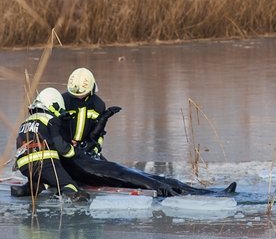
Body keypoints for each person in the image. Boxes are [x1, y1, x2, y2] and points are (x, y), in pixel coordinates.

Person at [59, 67, 233, 197]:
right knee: (122, 174)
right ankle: (166, 190)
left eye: (82, 94)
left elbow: (92, 137)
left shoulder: (97, 104)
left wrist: (99, 127)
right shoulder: (63, 101)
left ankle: (206, 192)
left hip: (87, 155)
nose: (79, 98)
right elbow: (52, 132)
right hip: (74, 160)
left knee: (138, 174)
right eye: (76, 95)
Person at [14, 87, 90, 202]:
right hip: (45, 165)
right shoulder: (51, 119)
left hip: (24, 167)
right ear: (53, 105)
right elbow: (61, 147)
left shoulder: (26, 121)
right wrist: (75, 152)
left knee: (40, 180)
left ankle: (28, 188)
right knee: (70, 186)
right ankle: (59, 199)